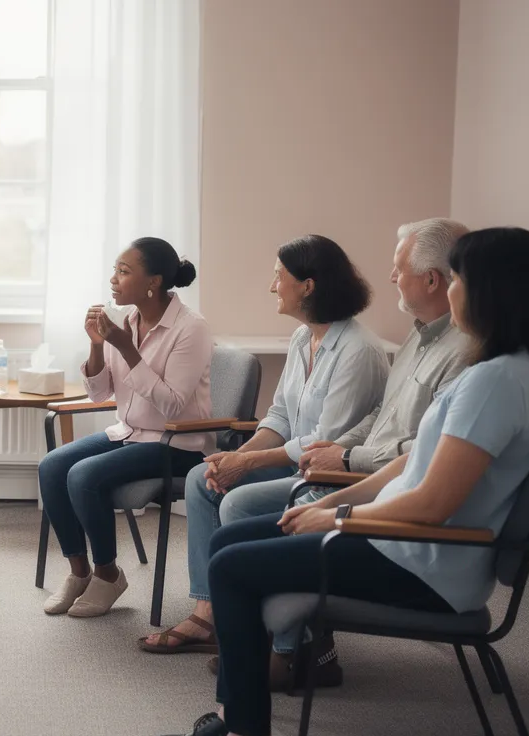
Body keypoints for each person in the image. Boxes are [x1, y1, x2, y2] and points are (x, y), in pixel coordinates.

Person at [152, 228, 529, 736]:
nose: (452, 290)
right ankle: (234, 720)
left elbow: (431, 503)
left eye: (459, 279)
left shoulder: (495, 383)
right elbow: (410, 464)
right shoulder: (509, 373)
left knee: (232, 569)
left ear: (491, 291)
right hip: (411, 545)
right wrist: (328, 506)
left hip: (422, 564)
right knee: (229, 542)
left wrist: (339, 519)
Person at [205, 218, 471, 688]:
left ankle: (290, 651)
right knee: (221, 508)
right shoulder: (417, 337)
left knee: (237, 524)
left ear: (433, 280)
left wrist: (343, 460)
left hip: (383, 497)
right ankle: (242, 633)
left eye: (399, 268)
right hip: (356, 472)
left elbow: (419, 455)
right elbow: (381, 418)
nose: (391, 276)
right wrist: (341, 449)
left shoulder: (461, 356)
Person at [142, 235, 388, 654]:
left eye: (278, 276)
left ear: (307, 286)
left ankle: (257, 623)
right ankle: (208, 613)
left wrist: (251, 463)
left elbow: (324, 442)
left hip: (329, 474)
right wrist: (235, 458)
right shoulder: (302, 338)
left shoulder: (358, 351)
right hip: (294, 463)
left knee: (239, 501)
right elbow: (280, 418)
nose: (272, 286)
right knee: (203, 477)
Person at [37, 237, 211, 617]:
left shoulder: (190, 328)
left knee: (83, 475)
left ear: (153, 282)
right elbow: (100, 394)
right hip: (128, 433)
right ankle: (79, 573)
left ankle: (108, 574)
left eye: (124, 271)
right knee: (51, 466)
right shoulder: (126, 321)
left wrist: (126, 348)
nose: (113, 279)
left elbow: (173, 404)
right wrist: (98, 345)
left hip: (176, 444)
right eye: (114, 270)